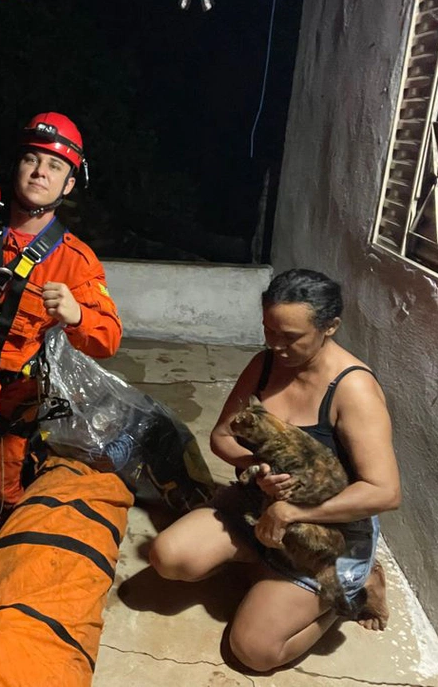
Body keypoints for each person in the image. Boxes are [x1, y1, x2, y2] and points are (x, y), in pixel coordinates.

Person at [149, 268, 401, 672]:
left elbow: (384, 492)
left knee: (254, 651)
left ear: (330, 327)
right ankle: (264, 563)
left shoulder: (354, 389)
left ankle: (354, 588)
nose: (276, 345)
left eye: (291, 337)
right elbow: (222, 437)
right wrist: (256, 467)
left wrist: (294, 512)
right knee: (170, 557)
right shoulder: (265, 364)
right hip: (260, 504)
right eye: (269, 331)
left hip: (323, 532)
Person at [0, 113, 123, 586]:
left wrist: (78, 315)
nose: (39, 172)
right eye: (31, 160)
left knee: (5, 481)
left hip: (16, 395)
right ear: (15, 168)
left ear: (69, 183)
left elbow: (109, 339)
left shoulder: (76, 260)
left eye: (54, 167)